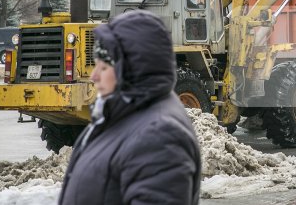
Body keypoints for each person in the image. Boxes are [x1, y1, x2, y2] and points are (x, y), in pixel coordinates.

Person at [59, 11, 201, 205]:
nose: (94, 76)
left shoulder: (159, 137)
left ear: (131, 68)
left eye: (103, 67)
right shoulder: (119, 116)